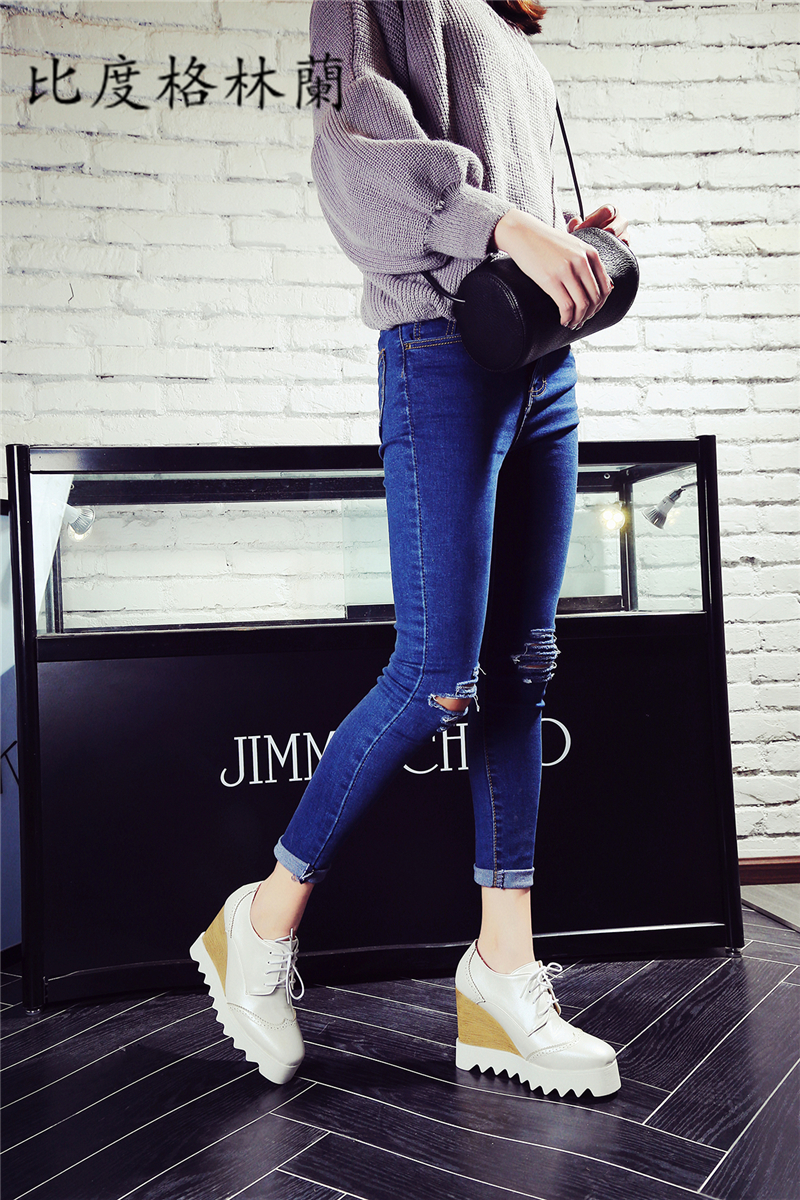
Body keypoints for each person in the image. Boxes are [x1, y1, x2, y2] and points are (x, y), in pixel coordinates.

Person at [191, 0, 629, 1100]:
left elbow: (501, 203)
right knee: (437, 674)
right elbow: (352, 155)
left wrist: (560, 237)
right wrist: (504, 225)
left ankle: (502, 976)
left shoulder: (508, 29)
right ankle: (259, 923)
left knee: (523, 668)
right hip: (441, 350)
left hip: (541, 359)